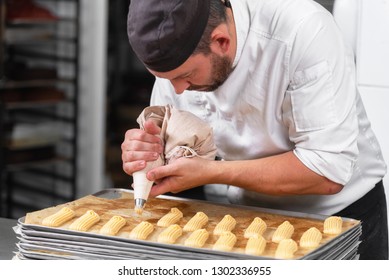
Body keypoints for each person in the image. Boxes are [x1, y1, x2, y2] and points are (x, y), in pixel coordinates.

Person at [122, 0, 388, 259]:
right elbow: (176, 141)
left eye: (186, 77)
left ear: (221, 42)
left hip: (341, 218)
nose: (177, 89)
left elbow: (327, 171)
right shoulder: (180, 62)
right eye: (166, 79)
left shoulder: (303, 29)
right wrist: (149, 155)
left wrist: (211, 173)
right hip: (248, 220)